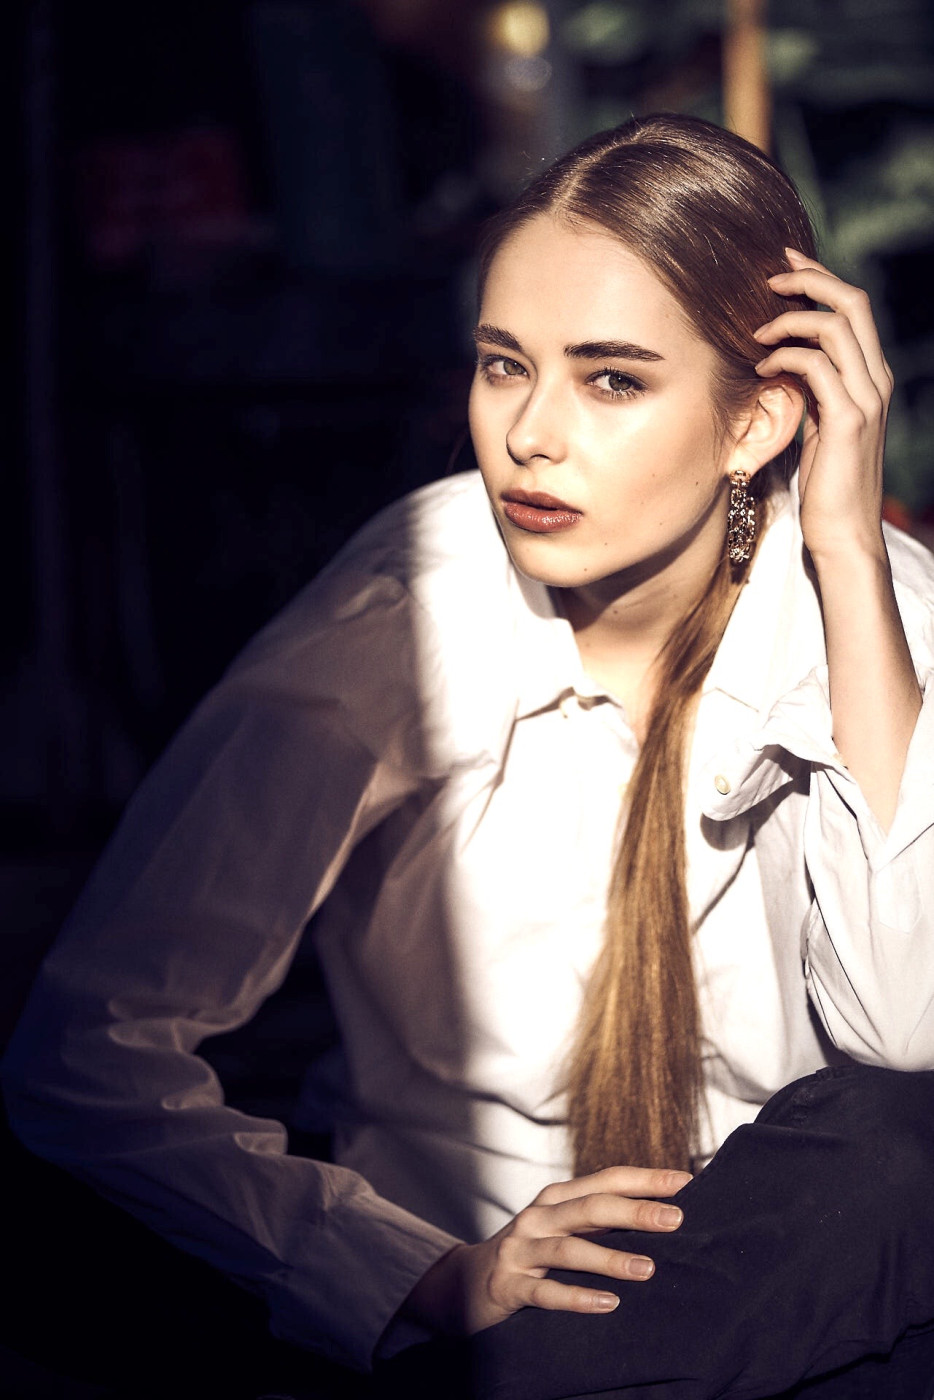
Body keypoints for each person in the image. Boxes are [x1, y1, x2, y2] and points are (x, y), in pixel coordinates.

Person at [4, 113, 934, 1400]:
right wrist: (415, 1276)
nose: (529, 433)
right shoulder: (414, 603)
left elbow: (905, 1031)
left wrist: (842, 548)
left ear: (757, 420)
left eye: (611, 380)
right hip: (476, 1332)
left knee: (899, 1141)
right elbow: (84, 1049)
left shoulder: (875, 610)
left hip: (780, 1315)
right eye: (504, 365)